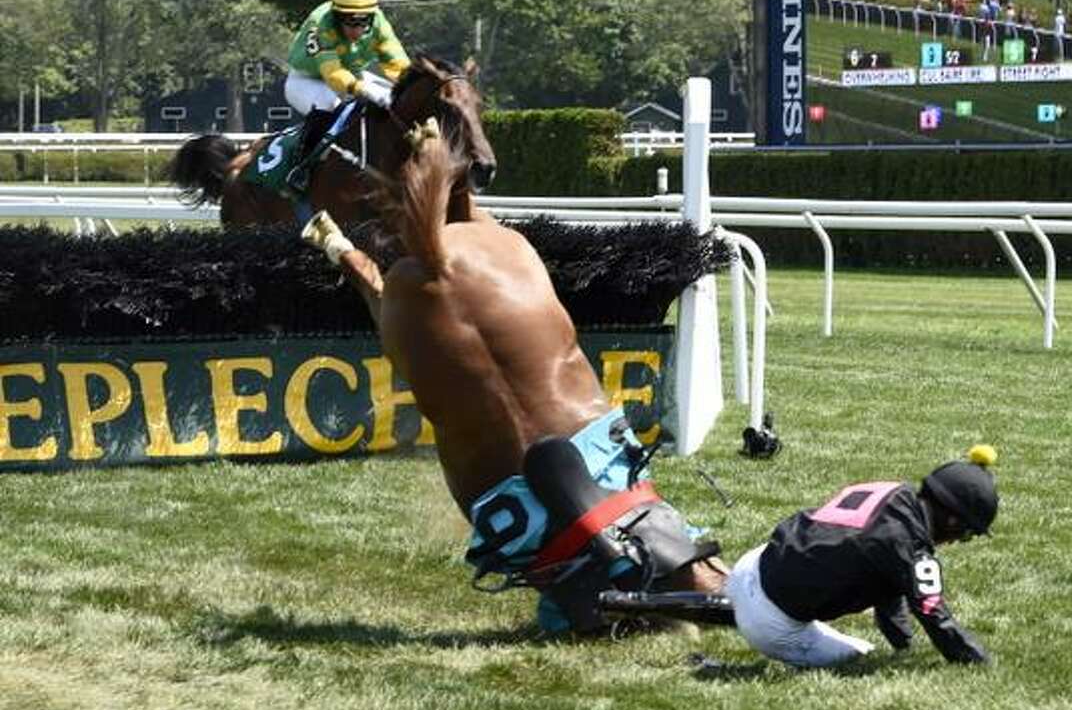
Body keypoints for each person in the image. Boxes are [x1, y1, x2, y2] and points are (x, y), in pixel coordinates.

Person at [301, 124, 727, 634]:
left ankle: (341, 250)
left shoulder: (396, 290)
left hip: (522, 498)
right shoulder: (490, 247)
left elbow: (389, 294)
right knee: (651, 536)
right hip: (576, 470)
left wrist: (347, 254)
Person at [722, 446, 998, 668]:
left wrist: (903, 644)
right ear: (951, 520)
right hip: (771, 622)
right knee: (862, 658)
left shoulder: (894, 490)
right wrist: (981, 663)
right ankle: (741, 622)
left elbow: (887, 584)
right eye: (965, 535)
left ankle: (733, 605)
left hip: (753, 563)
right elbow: (937, 618)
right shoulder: (910, 548)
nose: (956, 542)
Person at [283, 0, 411, 193]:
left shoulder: (379, 22)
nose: (356, 29)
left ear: (372, 16)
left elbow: (398, 64)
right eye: (349, 21)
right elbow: (333, 74)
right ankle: (300, 168)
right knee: (329, 103)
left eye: (363, 22)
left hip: (353, 75)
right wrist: (362, 89)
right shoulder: (321, 23)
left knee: (394, 97)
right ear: (335, 15)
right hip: (307, 80)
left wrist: (410, 86)